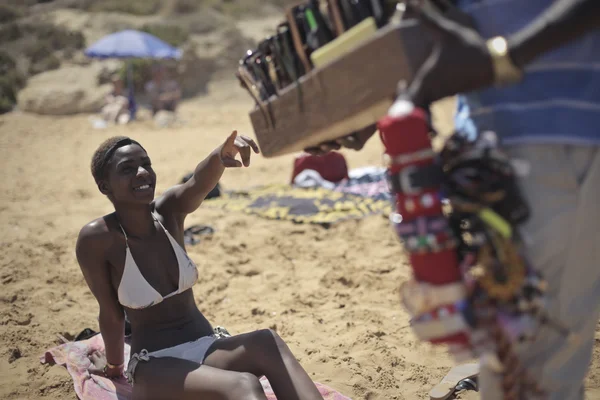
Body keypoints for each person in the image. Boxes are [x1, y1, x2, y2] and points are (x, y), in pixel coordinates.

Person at [306, 1, 600, 399]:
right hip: (495, 160)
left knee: (534, 371)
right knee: (527, 365)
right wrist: (374, 105)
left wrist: (501, 58)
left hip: (558, 142)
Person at [76, 131, 325, 400]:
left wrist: (220, 156)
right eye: (127, 169)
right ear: (105, 186)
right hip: (155, 365)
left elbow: (197, 183)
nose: (142, 173)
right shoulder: (98, 238)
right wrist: (115, 367)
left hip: (207, 350)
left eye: (146, 163)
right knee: (243, 385)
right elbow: (111, 314)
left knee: (268, 341)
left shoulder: (169, 212)